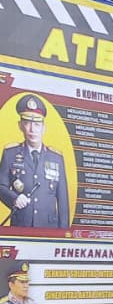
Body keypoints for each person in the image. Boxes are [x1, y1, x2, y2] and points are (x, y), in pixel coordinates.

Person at [0, 94, 70, 228]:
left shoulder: (56, 158)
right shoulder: (10, 154)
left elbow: (63, 201)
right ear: (20, 126)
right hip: (20, 226)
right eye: (27, 123)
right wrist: (14, 199)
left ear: (44, 128)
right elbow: (0, 186)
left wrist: (63, 234)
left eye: (37, 124)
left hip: (49, 229)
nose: (32, 130)